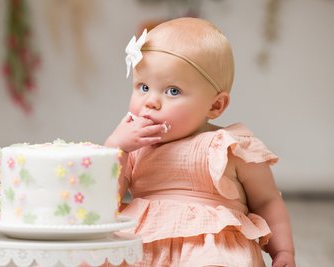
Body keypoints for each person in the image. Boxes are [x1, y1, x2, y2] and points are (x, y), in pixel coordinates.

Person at [104, 17, 295, 267]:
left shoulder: (230, 146)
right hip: (142, 246)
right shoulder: (135, 148)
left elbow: (267, 200)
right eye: (143, 86)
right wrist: (116, 148)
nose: (151, 101)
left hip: (211, 250)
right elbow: (104, 201)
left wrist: (283, 252)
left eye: (172, 91)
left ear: (215, 105)